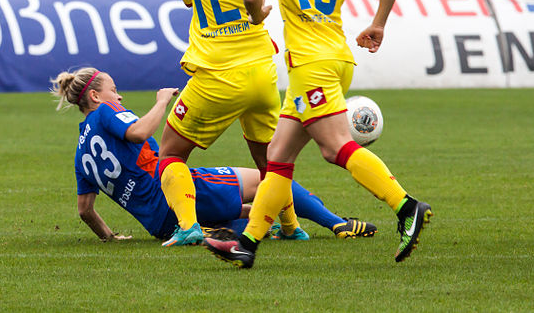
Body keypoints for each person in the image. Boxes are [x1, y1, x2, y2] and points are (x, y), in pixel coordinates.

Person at [205, 0, 432, 268]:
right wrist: (378, 23)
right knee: (278, 157)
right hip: (334, 57)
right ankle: (248, 243)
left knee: (335, 148)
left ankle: (406, 206)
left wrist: (257, 14)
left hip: (310, 64)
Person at [52, 67, 377, 243]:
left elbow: (85, 210)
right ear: (95, 96)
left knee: (252, 211)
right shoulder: (106, 111)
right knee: (270, 178)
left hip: (160, 224)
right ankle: (338, 224)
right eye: (113, 90)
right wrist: (162, 101)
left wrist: (110, 237)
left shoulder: (81, 154)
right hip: (178, 194)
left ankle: (263, 226)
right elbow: (138, 132)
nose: (118, 95)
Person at [157, 0, 304, 247]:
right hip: (260, 72)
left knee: (171, 153)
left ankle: (189, 226)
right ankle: (290, 226)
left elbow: (193, 1)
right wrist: (257, 16)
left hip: (217, 73)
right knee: (271, 159)